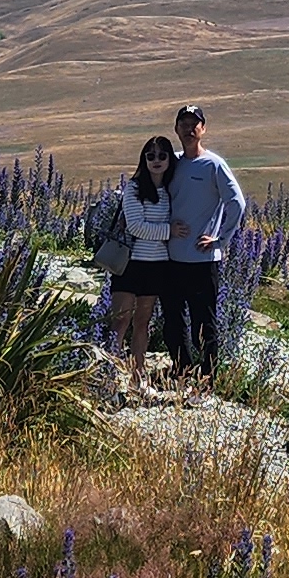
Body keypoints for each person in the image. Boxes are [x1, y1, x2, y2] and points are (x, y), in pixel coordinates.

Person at [156, 102, 248, 389]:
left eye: (194, 123)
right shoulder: (173, 163)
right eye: (183, 123)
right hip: (170, 258)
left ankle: (207, 380)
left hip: (203, 261)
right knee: (172, 321)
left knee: (203, 323)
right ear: (176, 129)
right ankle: (182, 372)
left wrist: (220, 239)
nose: (188, 128)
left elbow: (237, 203)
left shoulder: (214, 165)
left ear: (203, 129)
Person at [102, 134, 178, 396]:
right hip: (131, 263)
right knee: (120, 321)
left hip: (157, 265)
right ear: (143, 160)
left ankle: (137, 377)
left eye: (162, 155)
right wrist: (169, 231)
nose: (156, 161)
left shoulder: (171, 190)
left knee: (143, 323)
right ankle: (107, 378)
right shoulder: (133, 189)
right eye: (150, 155)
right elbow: (135, 227)